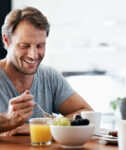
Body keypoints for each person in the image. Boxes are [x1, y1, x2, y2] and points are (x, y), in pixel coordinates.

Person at [0, 6, 93, 136]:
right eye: (24, 46)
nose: (33, 55)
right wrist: (7, 121)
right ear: (7, 40)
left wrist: (43, 126)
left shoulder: (49, 76)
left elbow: (87, 113)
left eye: (40, 46)